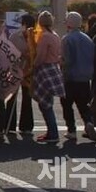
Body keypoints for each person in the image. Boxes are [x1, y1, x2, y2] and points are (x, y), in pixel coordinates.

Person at [61, 12, 96, 141]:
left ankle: (71, 130)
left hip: (70, 77)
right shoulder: (87, 39)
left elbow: (68, 61)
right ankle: (89, 122)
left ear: (69, 23)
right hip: (85, 77)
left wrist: (61, 65)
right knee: (84, 104)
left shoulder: (67, 39)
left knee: (67, 104)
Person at [32, 11, 65, 144]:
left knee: (45, 104)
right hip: (54, 67)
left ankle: (53, 132)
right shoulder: (55, 35)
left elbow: (40, 55)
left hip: (45, 69)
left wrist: (33, 66)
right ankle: (51, 131)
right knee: (47, 103)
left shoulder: (44, 36)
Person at [5, 13, 36, 135]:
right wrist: (21, 54)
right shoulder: (14, 36)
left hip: (29, 71)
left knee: (27, 98)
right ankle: (9, 124)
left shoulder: (35, 37)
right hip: (15, 69)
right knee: (11, 97)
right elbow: (9, 51)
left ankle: (26, 126)